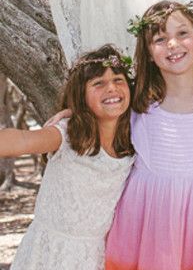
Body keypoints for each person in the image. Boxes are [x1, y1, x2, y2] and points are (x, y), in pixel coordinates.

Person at [105, 0, 193, 270]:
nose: (173, 45)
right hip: (144, 221)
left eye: (182, 34)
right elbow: (94, 112)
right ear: (148, 50)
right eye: (160, 39)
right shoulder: (136, 101)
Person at [0, 44, 134, 270]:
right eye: (98, 83)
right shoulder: (67, 134)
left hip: (94, 256)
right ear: (80, 95)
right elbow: (20, 141)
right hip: (49, 252)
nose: (111, 88)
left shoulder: (134, 137)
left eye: (118, 80)